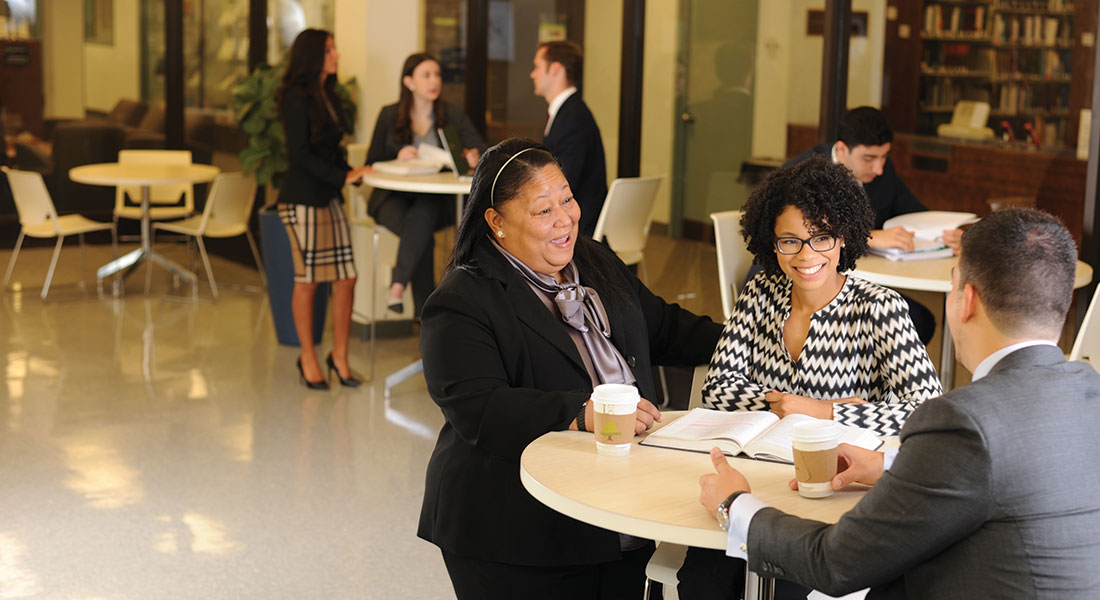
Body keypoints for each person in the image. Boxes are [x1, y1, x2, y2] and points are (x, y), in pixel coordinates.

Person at [698, 207, 1100, 599]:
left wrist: (735, 506)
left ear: (967, 300)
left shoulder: (962, 422)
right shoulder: (1090, 392)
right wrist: (893, 466)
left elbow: (835, 563)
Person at [417, 138, 723, 600]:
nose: (565, 219)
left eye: (567, 199)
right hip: (515, 529)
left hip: (618, 506)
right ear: (496, 222)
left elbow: (663, 328)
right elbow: (480, 409)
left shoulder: (593, 259)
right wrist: (583, 413)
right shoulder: (462, 301)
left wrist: (758, 339)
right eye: (544, 211)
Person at [679, 154, 943, 600]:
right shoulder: (760, 293)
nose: (806, 256)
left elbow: (926, 413)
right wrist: (781, 405)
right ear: (771, 242)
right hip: (751, 478)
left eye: (820, 238)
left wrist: (819, 411)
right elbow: (718, 389)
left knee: (788, 588)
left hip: (832, 499)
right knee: (701, 582)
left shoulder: (878, 308)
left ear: (844, 238)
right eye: (790, 241)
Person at [784, 106, 957, 345]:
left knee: (919, 320)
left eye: (884, 157)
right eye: (869, 159)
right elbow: (798, 236)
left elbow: (916, 214)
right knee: (905, 321)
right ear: (843, 149)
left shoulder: (883, 173)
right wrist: (868, 237)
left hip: (850, 279)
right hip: (799, 283)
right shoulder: (803, 174)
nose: (879, 168)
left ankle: (864, 380)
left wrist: (949, 234)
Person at [276, 28, 370, 390]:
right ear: (314, 55)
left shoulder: (327, 95)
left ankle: (340, 356)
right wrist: (343, 177)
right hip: (302, 200)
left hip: (328, 197)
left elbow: (330, 148)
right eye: (330, 49)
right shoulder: (295, 98)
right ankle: (308, 356)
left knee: (346, 277)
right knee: (309, 281)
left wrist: (349, 173)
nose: (336, 55)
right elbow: (299, 156)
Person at [365, 52, 487, 316]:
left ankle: (399, 288)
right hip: (392, 199)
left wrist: (471, 155)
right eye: (427, 75)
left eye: (438, 75)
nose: (435, 82)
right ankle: (427, 318)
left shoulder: (451, 114)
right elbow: (371, 160)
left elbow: (481, 148)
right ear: (409, 81)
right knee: (420, 235)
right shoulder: (389, 115)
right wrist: (396, 156)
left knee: (423, 214)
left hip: (435, 200)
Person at [530, 40, 608, 238]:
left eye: (537, 66)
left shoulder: (572, 118)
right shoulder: (571, 112)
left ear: (555, 68)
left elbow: (562, 182)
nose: (533, 74)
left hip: (576, 226)